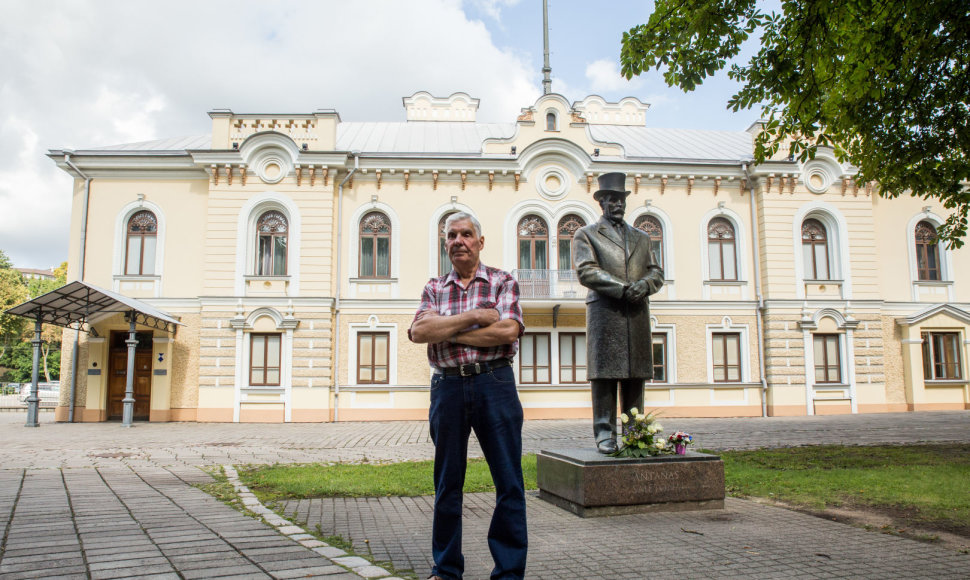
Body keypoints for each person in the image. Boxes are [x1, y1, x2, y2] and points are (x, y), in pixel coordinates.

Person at [409, 211, 528, 580]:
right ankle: (445, 571)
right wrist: (477, 315)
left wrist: (446, 332)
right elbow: (418, 331)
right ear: (445, 244)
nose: (458, 240)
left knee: (509, 482)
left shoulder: (502, 280)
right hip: (448, 387)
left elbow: (508, 331)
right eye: (451, 235)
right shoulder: (434, 287)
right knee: (448, 484)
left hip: (495, 384)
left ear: (480, 241)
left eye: (466, 234)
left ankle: (508, 573)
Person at [573, 172, 665, 454]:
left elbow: (656, 272)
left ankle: (636, 433)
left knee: (635, 374)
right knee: (605, 375)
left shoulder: (642, 237)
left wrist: (644, 285)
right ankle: (604, 433)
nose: (617, 204)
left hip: (636, 313)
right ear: (602, 203)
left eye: (621, 199)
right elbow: (586, 270)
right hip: (606, 312)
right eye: (611, 199)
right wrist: (624, 289)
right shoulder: (586, 234)